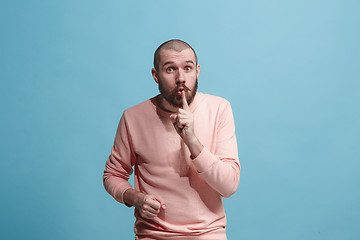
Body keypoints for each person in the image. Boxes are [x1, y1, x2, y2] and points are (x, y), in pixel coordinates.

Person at [103, 39, 240, 240]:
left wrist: (191, 140)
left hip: (208, 234)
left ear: (198, 71)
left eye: (187, 68)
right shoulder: (133, 117)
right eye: (170, 69)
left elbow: (229, 186)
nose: (181, 78)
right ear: (155, 75)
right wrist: (136, 198)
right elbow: (112, 175)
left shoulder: (219, 109)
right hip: (153, 234)